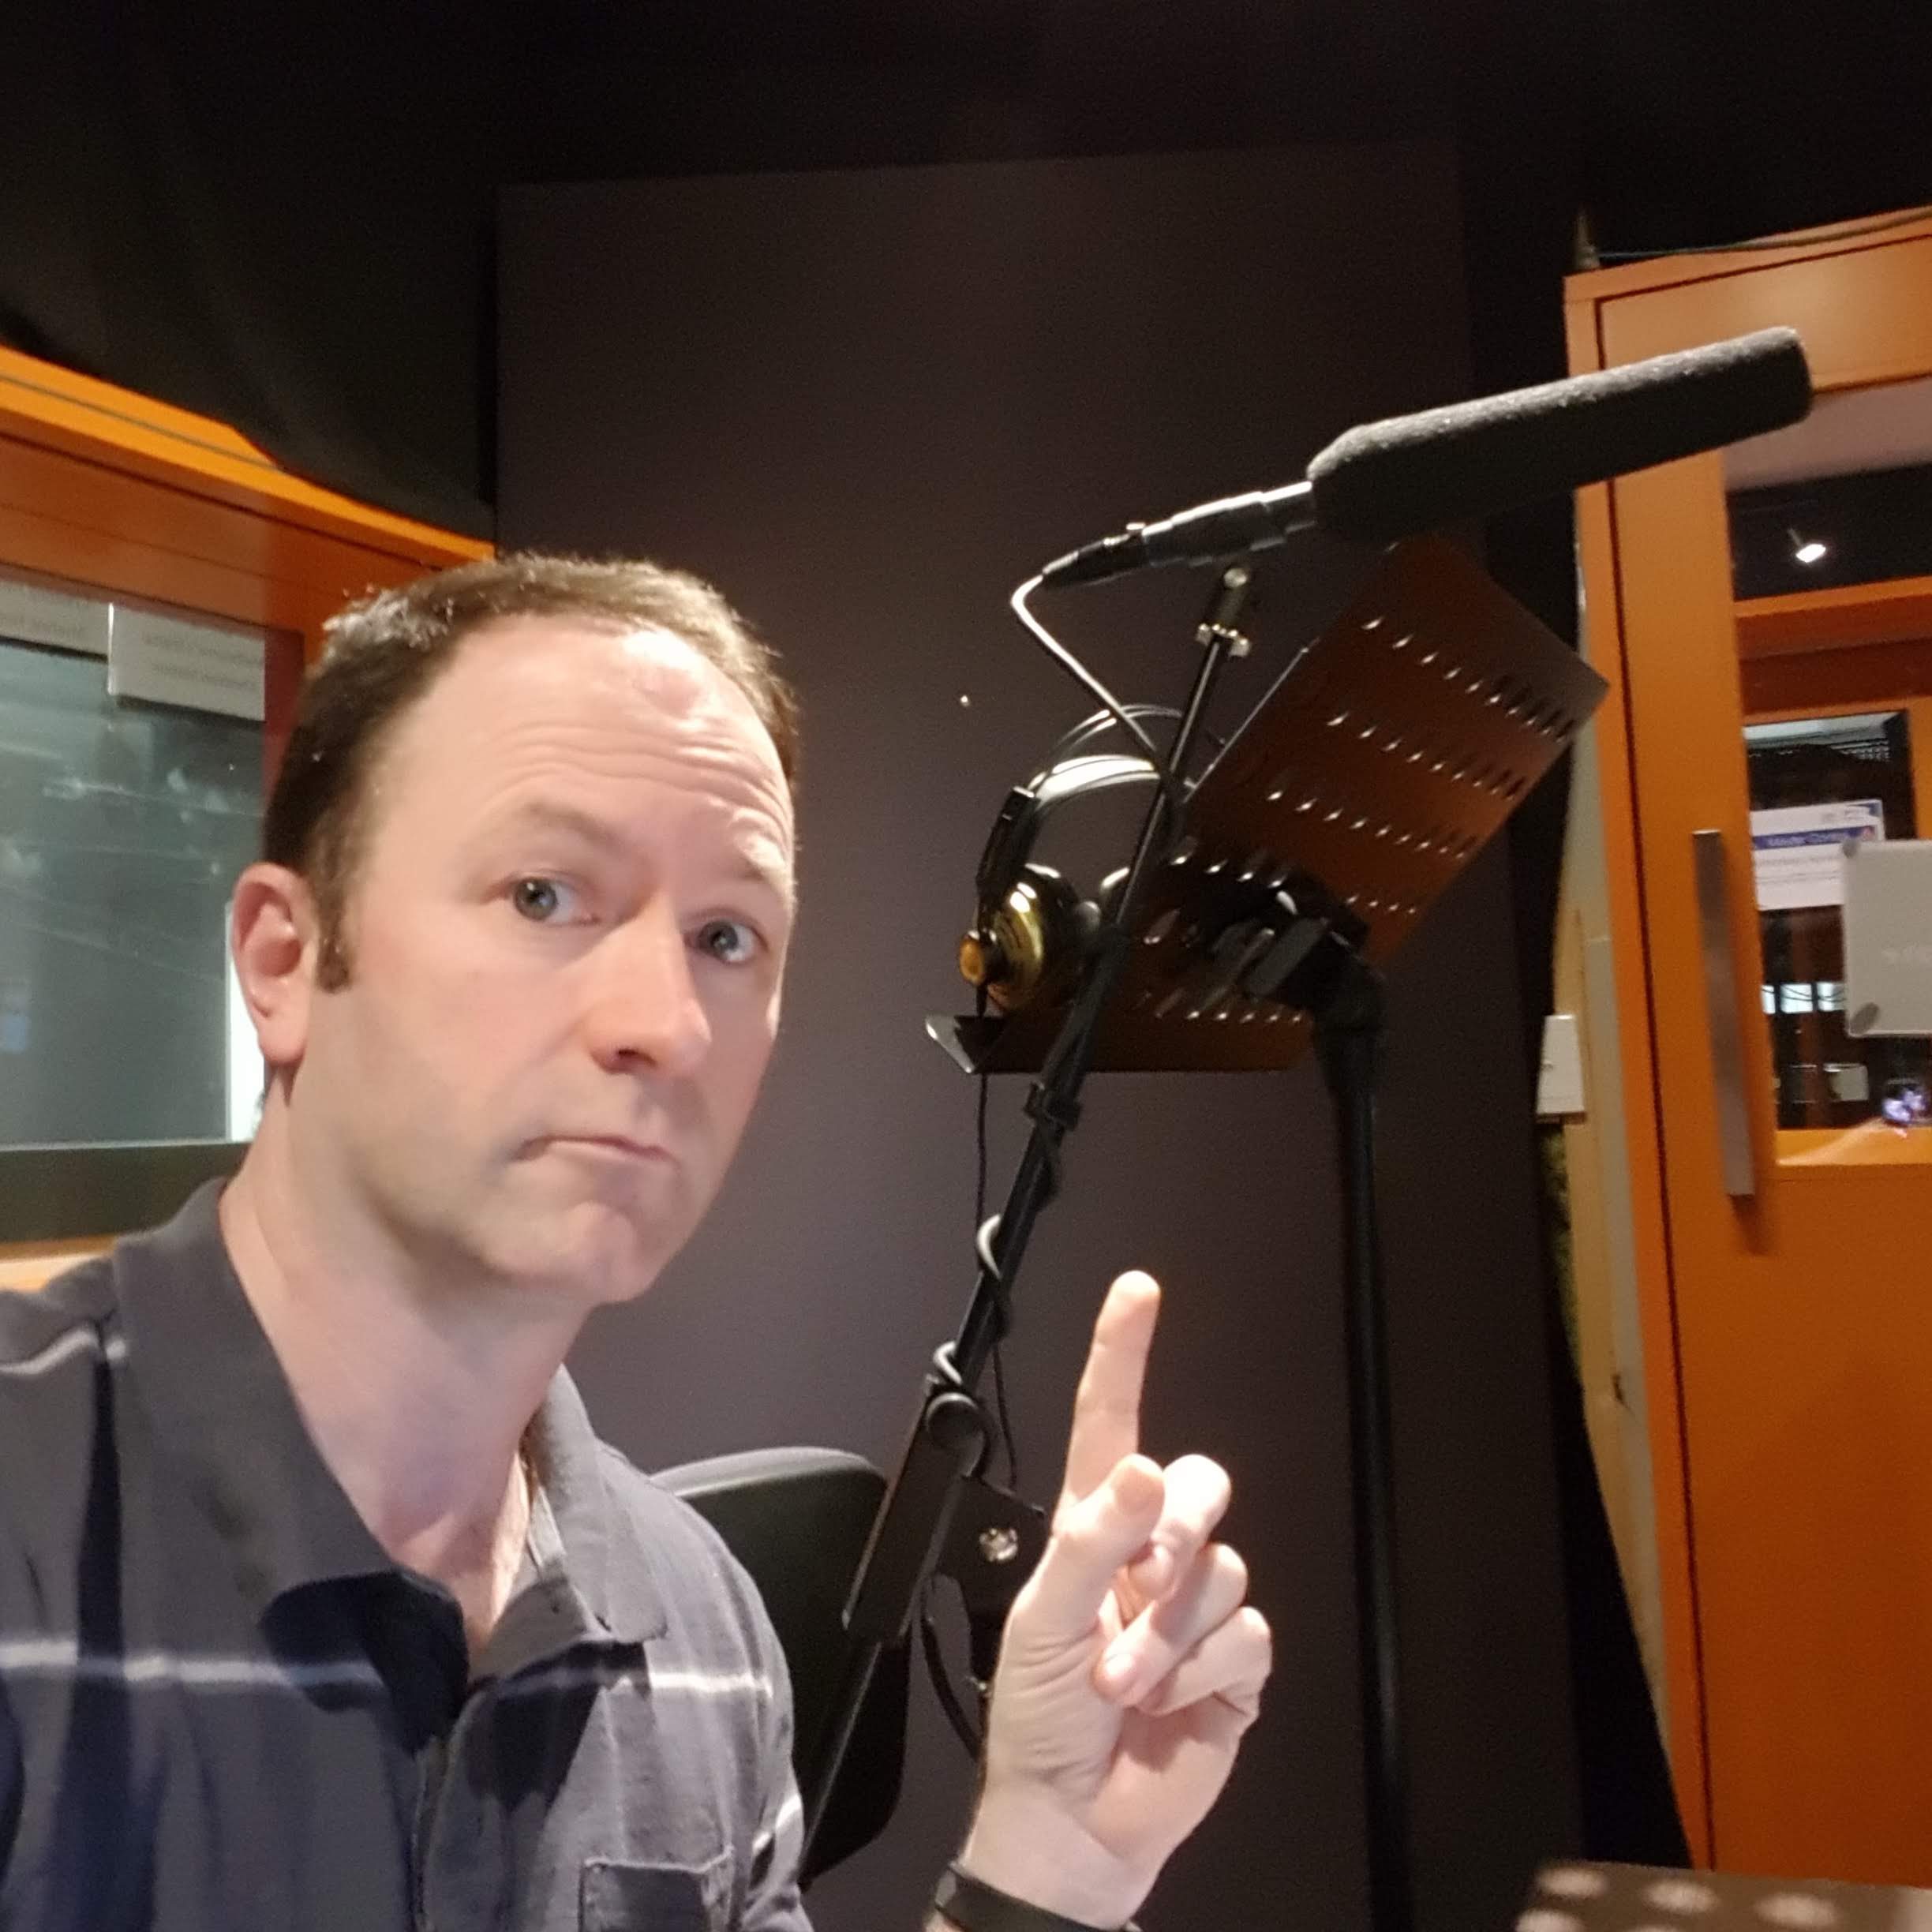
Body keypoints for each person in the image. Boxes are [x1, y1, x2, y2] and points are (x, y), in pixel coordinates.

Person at [0, 555, 1271, 1930]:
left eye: (727, 935)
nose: (665, 1023)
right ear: (285, 961)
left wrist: (1050, 1864)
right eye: (545, 895)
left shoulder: (709, 1637)